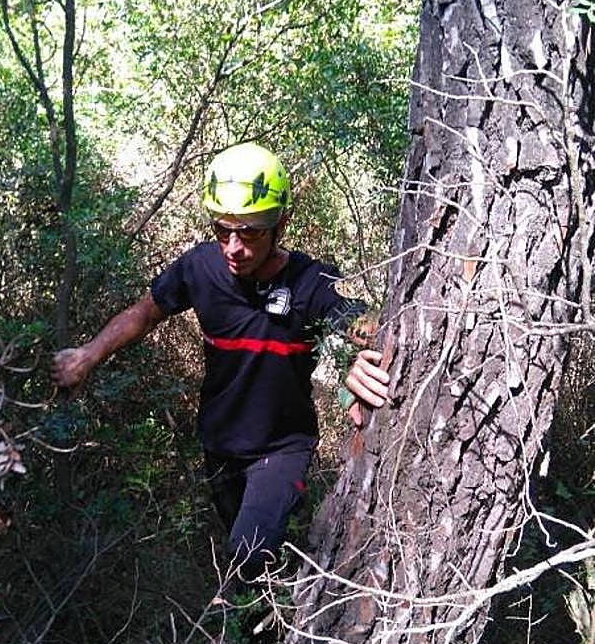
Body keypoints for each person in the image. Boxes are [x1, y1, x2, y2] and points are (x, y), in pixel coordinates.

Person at [52, 143, 389, 583]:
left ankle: (286, 621)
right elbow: (144, 313)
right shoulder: (199, 269)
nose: (233, 247)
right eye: (222, 230)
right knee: (248, 554)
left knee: (247, 551)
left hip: (282, 448)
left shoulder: (309, 282)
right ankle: (263, 630)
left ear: (280, 225)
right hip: (219, 444)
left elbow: (361, 325)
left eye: (249, 233)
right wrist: (88, 355)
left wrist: (354, 370)